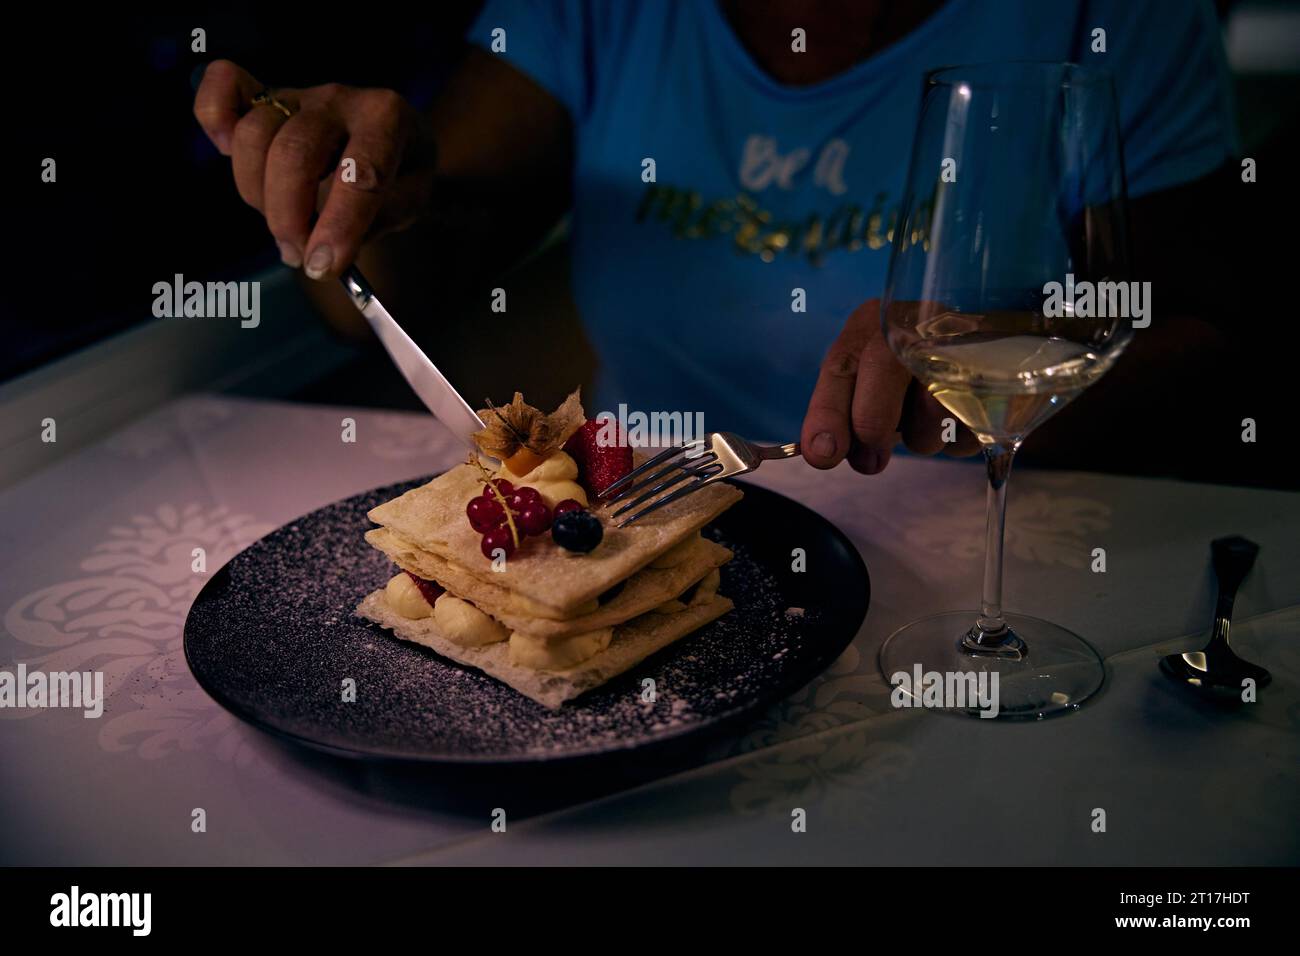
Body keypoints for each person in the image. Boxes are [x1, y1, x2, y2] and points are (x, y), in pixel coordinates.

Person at [193, 0, 1239, 476]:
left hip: (985, 556)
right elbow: (372, 294)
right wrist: (345, 197)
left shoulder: (1122, 16)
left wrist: (990, 378)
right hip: (635, 515)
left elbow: (1212, 343)